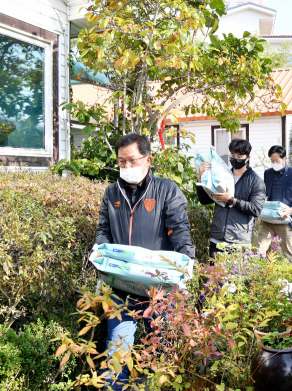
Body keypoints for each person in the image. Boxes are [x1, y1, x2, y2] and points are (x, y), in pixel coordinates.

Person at [94, 133, 196, 390]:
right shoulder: (111, 192)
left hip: (157, 290)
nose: (127, 167)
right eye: (121, 162)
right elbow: (104, 230)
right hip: (121, 288)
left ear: (148, 159)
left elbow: (180, 231)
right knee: (116, 353)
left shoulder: (166, 190)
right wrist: (100, 256)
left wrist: (187, 265)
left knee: (160, 353)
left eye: (132, 161)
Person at [197, 138, 266, 258]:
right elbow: (204, 200)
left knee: (237, 276)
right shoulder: (222, 176)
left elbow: (256, 209)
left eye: (239, 156)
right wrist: (199, 178)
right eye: (233, 155)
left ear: (247, 158)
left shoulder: (256, 181)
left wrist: (232, 200)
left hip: (239, 243)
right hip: (217, 241)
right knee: (214, 276)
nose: (235, 159)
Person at [257, 145, 292, 262]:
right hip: (268, 219)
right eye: (272, 161)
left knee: (288, 254)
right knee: (259, 250)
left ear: (285, 159)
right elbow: (264, 193)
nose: (274, 163)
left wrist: (290, 210)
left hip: (285, 219)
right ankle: (257, 277)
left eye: (277, 160)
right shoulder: (268, 173)